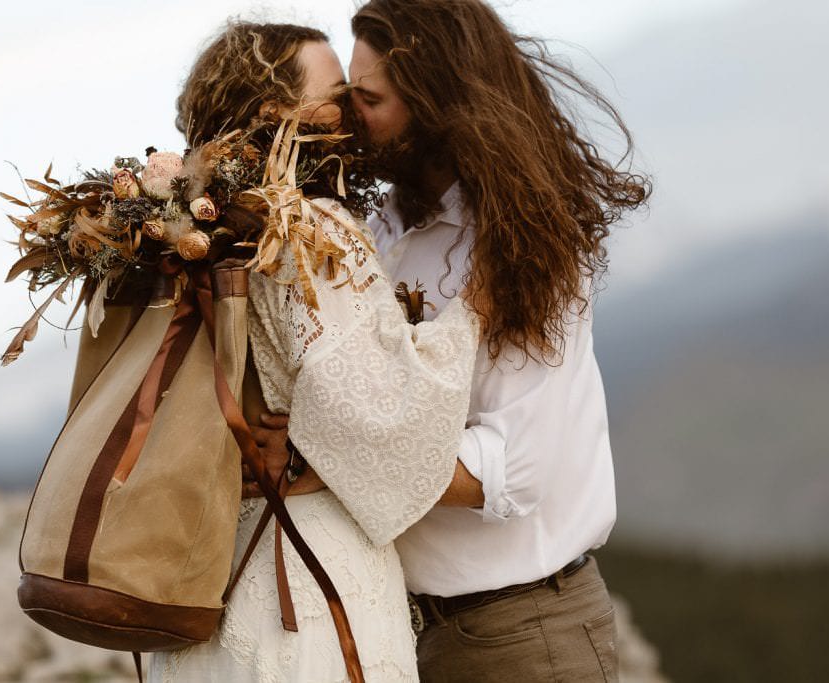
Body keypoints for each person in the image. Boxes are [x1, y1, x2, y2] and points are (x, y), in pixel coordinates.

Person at [259, 1, 651, 680]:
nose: (351, 118)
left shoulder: (522, 242)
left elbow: (513, 467)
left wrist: (319, 458)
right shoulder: (382, 226)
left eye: (370, 100)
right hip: (406, 628)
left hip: (521, 633)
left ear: (438, 105)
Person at [150, 22, 480, 683]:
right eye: (337, 95)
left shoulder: (184, 234)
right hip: (306, 578)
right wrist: (480, 307)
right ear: (280, 111)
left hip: (210, 568)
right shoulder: (307, 229)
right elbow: (387, 417)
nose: (353, 112)